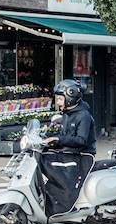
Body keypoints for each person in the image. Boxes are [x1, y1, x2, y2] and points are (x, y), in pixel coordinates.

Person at [41, 79, 95, 215]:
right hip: (69, 153)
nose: (58, 102)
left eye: (60, 99)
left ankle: (63, 206)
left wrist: (59, 139)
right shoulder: (67, 113)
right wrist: (53, 140)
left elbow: (81, 140)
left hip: (82, 157)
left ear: (70, 97)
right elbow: (66, 137)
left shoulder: (83, 115)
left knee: (58, 174)